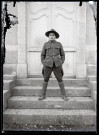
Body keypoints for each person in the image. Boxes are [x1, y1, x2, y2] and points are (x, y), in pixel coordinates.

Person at [38, 29, 68, 101]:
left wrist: (61, 62)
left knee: (60, 79)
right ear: (48, 36)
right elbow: (42, 55)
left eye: (53, 35)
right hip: (47, 64)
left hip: (57, 64)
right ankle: (43, 95)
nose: (51, 37)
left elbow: (63, 55)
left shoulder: (59, 44)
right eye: (50, 35)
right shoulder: (45, 44)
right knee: (45, 79)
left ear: (55, 36)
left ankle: (64, 95)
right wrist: (44, 62)